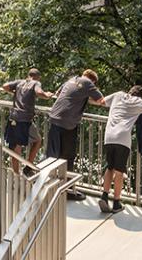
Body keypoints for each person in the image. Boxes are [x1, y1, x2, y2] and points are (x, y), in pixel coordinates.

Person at [95, 85, 142, 213]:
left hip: (109, 136)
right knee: (119, 171)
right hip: (122, 139)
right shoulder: (138, 101)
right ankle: (117, 202)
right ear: (140, 96)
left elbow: (101, 102)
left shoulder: (118, 94)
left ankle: (104, 196)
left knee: (110, 167)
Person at [46, 69, 104, 200]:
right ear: (93, 80)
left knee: (52, 155)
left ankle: (48, 187)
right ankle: (68, 191)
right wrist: (90, 98)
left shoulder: (71, 80)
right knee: (68, 157)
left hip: (55, 118)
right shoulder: (88, 83)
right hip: (68, 123)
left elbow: (58, 93)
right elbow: (101, 100)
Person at [2, 68, 54, 175]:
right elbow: (39, 92)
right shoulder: (35, 83)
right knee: (35, 141)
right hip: (24, 120)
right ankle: (25, 169)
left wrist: (13, 92)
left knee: (16, 147)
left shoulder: (20, 82)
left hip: (14, 117)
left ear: (28, 75)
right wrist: (47, 95)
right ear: (37, 77)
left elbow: (5, 86)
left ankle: (19, 172)